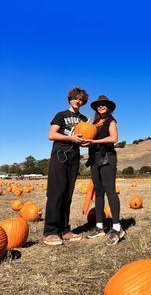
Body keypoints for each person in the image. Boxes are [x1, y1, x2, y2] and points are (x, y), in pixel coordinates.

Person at [43, 87, 89, 246]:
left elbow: (86, 135)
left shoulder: (84, 119)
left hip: (74, 157)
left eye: (82, 99)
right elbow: (52, 135)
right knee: (57, 192)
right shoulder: (61, 115)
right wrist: (72, 139)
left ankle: (64, 229)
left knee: (68, 193)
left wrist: (84, 141)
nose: (79, 101)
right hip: (60, 155)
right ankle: (50, 231)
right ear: (70, 99)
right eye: (76, 98)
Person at [86, 95, 125, 245]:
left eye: (104, 104)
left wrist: (94, 141)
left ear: (108, 107)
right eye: (99, 105)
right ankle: (100, 227)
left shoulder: (111, 121)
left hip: (108, 158)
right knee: (99, 193)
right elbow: (89, 138)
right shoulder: (94, 123)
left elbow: (114, 138)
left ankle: (117, 227)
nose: (101, 106)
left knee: (110, 190)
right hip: (95, 160)